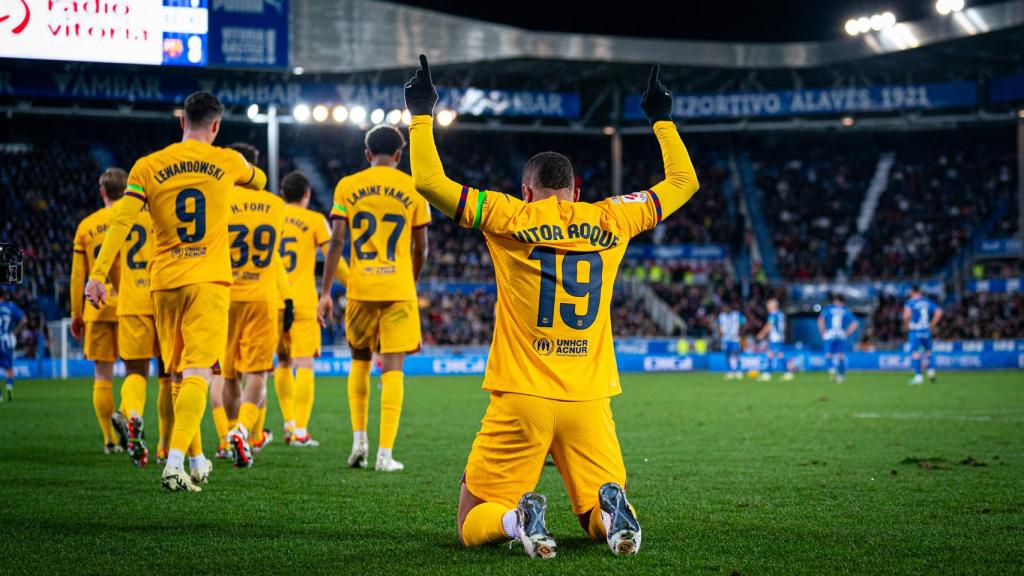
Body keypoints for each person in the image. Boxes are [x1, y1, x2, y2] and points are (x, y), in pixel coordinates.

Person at [405, 56, 699, 558]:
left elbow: (430, 183)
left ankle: (515, 515)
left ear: (527, 190)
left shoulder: (507, 214)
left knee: (470, 521)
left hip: (523, 397)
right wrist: (661, 119)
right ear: (576, 191)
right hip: (589, 399)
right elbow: (683, 183)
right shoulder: (612, 218)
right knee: (590, 514)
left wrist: (419, 112)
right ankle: (611, 514)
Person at [85, 91, 268, 492]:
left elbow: (121, 222)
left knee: (177, 375)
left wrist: (98, 273)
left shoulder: (148, 166)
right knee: (199, 373)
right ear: (216, 126)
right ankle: (173, 464)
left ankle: (198, 457)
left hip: (164, 283)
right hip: (209, 280)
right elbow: (260, 180)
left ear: (180, 121)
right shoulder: (227, 161)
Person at [317, 125, 430, 472]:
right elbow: (421, 247)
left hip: (360, 288)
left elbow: (335, 242)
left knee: (360, 363)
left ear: (367, 154)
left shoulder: (348, 186)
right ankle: (385, 454)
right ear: (399, 155)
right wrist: (407, 281)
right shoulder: (414, 187)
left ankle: (359, 443)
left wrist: (325, 293)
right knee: (393, 370)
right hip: (397, 289)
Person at [221, 142, 293, 468]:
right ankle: (242, 430)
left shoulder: (219, 201)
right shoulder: (276, 205)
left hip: (223, 294)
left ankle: (228, 435)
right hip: (261, 296)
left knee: (227, 375)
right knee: (257, 375)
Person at [275, 171, 348, 446]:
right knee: (304, 365)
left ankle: (288, 424)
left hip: (273, 300)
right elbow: (334, 256)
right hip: (303, 302)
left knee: (282, 362)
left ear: (283, 194)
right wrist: (353, 285)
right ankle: (301, 431)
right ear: (306, 194)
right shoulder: (315, 220)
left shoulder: (272, 214)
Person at [109, 195, 172, 467]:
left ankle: (134, 415)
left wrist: (124, 288)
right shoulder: (167, 207)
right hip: (164, 297)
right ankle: (166, 449)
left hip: (132, 301)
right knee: (168, 376)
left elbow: (109, 258)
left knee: (135, 372)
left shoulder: (123, 212)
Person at [71, 168, 126, 454]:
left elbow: (78, 275)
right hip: (133, 306)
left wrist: (76, 313)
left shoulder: (86, 226)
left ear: (102, 191)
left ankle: (109, 439)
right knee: (137, 371)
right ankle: (132, 417)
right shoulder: (139, 218)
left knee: (103, 376)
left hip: (98, 308)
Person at [903, 285, 942, 385]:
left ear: (913, 292)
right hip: (926, 330)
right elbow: (939, 312)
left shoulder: (910, 302)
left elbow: (906, 316)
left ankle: (918, 376)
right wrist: (932, 324)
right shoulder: (928, 301)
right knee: (928, 352)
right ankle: (931, 371)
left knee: (915, 353)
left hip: (915, 330)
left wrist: (906, 326)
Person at [818, 293, 859, 384]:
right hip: (841, 335)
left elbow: (820, 321)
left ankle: (832, 370)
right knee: (840, 356)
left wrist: (823, 332)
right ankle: (840, 376)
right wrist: (847, 332)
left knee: (828, 355)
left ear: (835, 300)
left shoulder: (828, 308)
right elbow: (855, 323)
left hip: (830, 334)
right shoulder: (845, 310)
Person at [757, 298, 793, 381]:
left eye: (769, 305)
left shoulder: (773, 314)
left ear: (773, 306)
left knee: (775, 355)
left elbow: (769, 325)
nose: (767, 307)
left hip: (775, 338)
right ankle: (785, 373)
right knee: (775, 354)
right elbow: (784, 326)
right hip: (780, 337)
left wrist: (761, 334)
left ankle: (770, 374)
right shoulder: (780, 314)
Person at [0, 290, 26, 402]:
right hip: (7, 340)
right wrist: (14, 332)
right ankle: (9, 386)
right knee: (9, 367)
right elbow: (24, 320)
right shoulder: (11, 306)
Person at [716, 303, 745, 380]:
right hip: (725, 339)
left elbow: (744, 322)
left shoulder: (736, 315)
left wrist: (741, 332)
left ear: (730, 308)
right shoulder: (721, 316)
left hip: (735, 338)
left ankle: (738, 371)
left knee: (736, 354)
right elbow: (718, 325)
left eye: (727, 308)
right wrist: (720, 333)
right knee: (727, 355)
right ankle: (730, 371)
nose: (725, 310)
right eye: (724, 308)